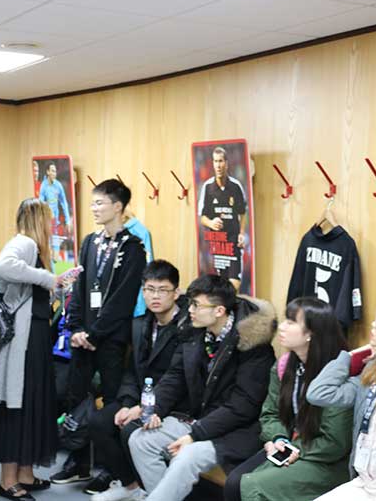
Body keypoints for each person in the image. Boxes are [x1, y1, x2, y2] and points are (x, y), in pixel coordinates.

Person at [127, 274, 275, 501]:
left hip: (238, 430)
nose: (190, 310)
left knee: (186, 456)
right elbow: (175, 376)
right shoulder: (195, 331)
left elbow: (243, 406)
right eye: (190, 303)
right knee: (140, 440)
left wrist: (196, 434)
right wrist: (156, 407)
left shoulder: (253, 344)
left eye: (196, 305)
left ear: (219, 311)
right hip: (201, 419)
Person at [52, 179, 146, 485]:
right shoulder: (90, 242)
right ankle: (77, 463)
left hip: (111, 341)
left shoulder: (132, 248)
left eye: (99, 203)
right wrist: (76, 328)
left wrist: (95, 334)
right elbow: (79, 287)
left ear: (117, 206)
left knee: (110, 401)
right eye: (92, 203)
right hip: (83, 338)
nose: (94, 208)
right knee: (75, 398)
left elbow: (123, 298)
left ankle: (109, 469)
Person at [0, 198, 69, 501]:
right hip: (23, 343)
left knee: (32, 405)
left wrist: (57, 285)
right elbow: (2, 266)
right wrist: (48, 278)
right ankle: (8, 481)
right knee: (16, 407)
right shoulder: (25, 244)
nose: (52, 226)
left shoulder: (33, 248)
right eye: (49, 219)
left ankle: (25, 474)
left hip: (35, 339)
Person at [223, 297, 352, 501]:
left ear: (311, 333)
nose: (282, 327)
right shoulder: (285, 366)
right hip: (290, 446)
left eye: (291, 322)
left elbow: (334, 442)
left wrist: (297, 449)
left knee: (250, 486)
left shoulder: (337, 376)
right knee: (234, 482)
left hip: (325, 461)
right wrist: (278, 439)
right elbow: (270, 413)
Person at [87, 260, 189, 500]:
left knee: (131, 429)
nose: (155, 296)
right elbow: (133, 371)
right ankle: (131, 486)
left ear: (176, 292)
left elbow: (179, 378)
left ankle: (157, 491)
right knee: (100, 422)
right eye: (149, 289)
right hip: (142, 398)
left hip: (174, 404)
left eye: (162, 290)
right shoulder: (141, 323)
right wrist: (125, 404)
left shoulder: (186, 326)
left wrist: (142, 409)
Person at [307, 307, 376, 501]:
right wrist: (350, 357)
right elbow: (319, 393)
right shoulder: (373, 372)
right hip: (363, 483)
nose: (374, 323)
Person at [197, 146, 248, 292]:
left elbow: (243, 212)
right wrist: (211, 223)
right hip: (215, 243)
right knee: (218, 287)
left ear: (226, 163)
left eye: (220, 161)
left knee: (234, 285)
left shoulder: (236, 186)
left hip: (232, 243)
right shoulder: (207, 187)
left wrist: (242, 233)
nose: (218, 165)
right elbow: (202, 218)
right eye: (215, 161)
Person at [38, 162, 71, 263]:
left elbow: (64, 202)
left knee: (55, 247)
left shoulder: (58, 185)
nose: (54, 173)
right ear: (48, 172)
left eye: (55, 171)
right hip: (46, 220)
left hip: (55, 220)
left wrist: (67, 220)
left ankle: (55, 259)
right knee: (47, 245)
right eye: (52, 171)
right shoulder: (44, 186)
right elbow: (40, 203)